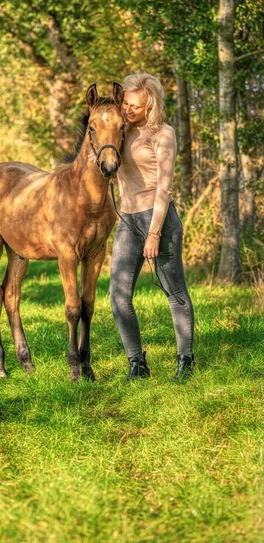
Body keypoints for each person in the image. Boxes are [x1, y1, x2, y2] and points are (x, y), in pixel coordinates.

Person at [109, 73, 195, 380]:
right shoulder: (120, 131)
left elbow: (165, 187)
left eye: (134, 105)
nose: (128, 109)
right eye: (125, 103)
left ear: (150, 104)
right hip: (127, 221)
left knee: (174, 292)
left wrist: (155, 233)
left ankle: (185, 361)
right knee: (118, 296)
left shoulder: (163, 134)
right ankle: (137, 363)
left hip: (159, 219)